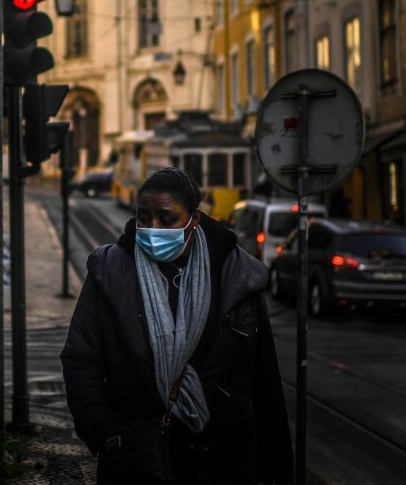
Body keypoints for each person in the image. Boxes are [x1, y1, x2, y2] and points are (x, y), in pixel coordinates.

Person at [61, 167, 294, 484]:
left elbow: (262, 375)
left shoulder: (237, 276)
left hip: (222, 460)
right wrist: (105, 434)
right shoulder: (109, 271)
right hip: (134, 457)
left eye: (166, 218)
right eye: (144, 217)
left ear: (194, 219)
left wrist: (275, 468)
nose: (152, 227)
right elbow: (81, 358)